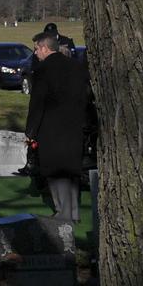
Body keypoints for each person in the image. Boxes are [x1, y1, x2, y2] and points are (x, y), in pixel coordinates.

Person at [26, 32, 89, 221]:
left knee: (55, 171)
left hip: (51, 128)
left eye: (37, 48)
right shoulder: (76, 67)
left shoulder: (43, 70)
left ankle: (63, 212)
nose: (35, 53)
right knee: (71, 171)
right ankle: (74, 212)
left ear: (45, 48)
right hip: (75, 126)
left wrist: (31, 131)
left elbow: (37, 104)